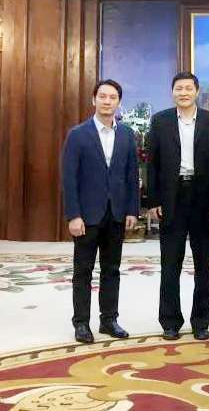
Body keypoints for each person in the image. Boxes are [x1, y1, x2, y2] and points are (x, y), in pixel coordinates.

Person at [146, 71, 209, 341]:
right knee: (170, 262)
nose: (183, 93)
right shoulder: (160, 121)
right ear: (172, 92)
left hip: (203, 198)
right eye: (178, 88)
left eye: (188, 88)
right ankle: (170, 321)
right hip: (171, 198)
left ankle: (201, 321)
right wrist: (153, 201)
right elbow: (152, 164)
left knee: (204, 264)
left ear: (197, 91)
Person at [61, 79, 138, 344]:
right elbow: (69, 178)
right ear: (94, 100)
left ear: (119, 102)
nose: (107, 101)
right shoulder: (77, 134)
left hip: (116, 214)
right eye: (102, 96)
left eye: (112, 97)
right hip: (86, 216)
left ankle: (109, 320)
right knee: (83, 271)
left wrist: (132, 210)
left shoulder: (126, 134)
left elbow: (131, 175)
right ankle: (81, 323)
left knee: (111, 269)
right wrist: (73, 215)